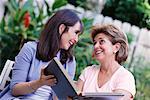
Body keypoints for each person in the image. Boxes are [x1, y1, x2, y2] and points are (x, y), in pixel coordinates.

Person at [0, 9, 83, 100]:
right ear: (62, 28)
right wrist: (40, 82)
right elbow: (15, 90)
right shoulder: (30, 49)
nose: (76, 39)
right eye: (75, 33)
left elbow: (60, 97)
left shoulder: (69, 61)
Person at [76, 24, 136, 100]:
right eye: (95, 43)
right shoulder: (88, 72)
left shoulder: (125, 77)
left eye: (101, 41)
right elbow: (72, 97)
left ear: (116, 47)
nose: (95, 46)